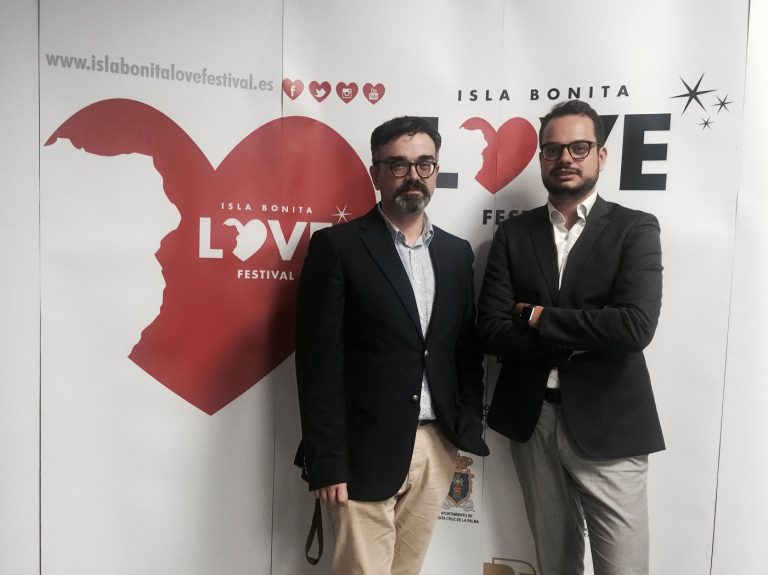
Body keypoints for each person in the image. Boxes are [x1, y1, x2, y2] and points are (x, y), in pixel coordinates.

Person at [294, 116, 489, 575]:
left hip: (436, 446)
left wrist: (463, 425)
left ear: (436, 171)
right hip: (360, 450)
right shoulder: (337, 247)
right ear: (376, 173)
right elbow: (319, 363)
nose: (413, 176)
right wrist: (328, 462)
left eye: (425, 164)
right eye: (398, 165)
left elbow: (464, 350)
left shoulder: (456, 253)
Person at [478, 100, 664, 575]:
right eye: (553, 149)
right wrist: (585, 332)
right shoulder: (513, 234)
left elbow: (634, 327)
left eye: (579, 147)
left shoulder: (635, 228)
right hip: (533, 419)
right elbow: (492, 329)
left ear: (601, 155)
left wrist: (536, 315)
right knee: (555, 565)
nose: (566, 158)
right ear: (541, 157)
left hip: (611, 425)